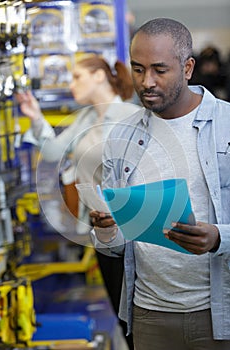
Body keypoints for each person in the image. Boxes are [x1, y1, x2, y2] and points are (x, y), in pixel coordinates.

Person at [90, 18, 230, 350]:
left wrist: (219, 236)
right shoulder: (122, 136)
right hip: (149, 311)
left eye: (159, 70)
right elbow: (113, 245)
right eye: (138, 70)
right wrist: (108, 227)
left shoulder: (226, 126)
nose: (146, 82)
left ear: (188, 68)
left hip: (219, 310)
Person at [16, 55, 140, 350]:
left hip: (127, 230)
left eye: (77, 77)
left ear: (99, 76)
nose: (71, 85)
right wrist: (35, 116)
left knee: (133, 310)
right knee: (117, 307)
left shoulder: (128, 115)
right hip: (98, 228)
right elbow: (54, 151)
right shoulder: (87, 117)